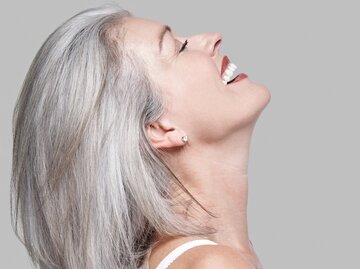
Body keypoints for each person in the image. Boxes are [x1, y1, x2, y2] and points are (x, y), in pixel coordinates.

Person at [10, 3, 271, 269]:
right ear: (160, 129)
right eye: (179, 48)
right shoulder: (213, 264)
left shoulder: (205, 257)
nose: (213, 38)